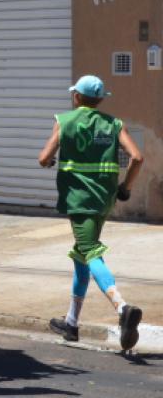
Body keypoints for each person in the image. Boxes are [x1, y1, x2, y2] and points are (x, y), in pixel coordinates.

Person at [38, 74, 144, 351]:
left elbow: (43, 158)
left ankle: (122, 309)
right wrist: (125, 188)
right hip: (104, 199)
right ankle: (71, 322)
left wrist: (50, 160)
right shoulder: (113, 124)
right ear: (100, 99)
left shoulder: (66, 121)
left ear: (76, 97)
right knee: (82, 255)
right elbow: (137, 157)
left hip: (79, 199)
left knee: (89, 249)